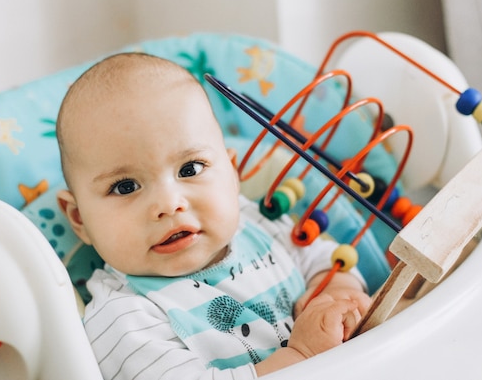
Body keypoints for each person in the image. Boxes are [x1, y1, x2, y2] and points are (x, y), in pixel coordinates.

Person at [56, 52, 371, 380]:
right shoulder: (124, 318)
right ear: (79, 219)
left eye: (190, 168)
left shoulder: (260, 223)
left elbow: (324, 261)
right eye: (125, 187)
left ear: (233, 175)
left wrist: (333, 294)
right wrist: (302, 355)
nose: (169, 204)